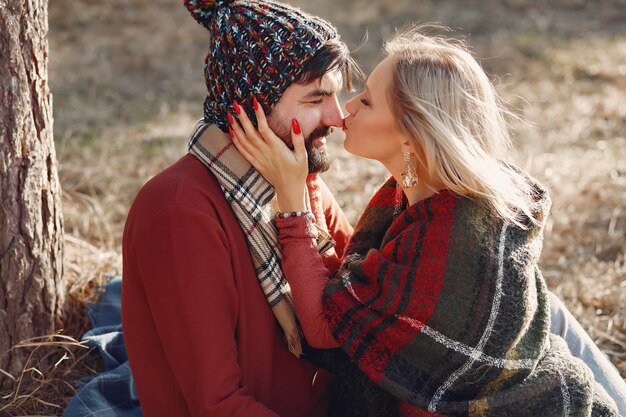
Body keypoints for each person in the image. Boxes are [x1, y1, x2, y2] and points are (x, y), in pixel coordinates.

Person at [228, 26, 620, 416]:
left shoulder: (457, 236)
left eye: (366, 102)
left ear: (410, 136)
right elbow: (357, 294)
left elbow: (324, 325)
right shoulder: (410, 195)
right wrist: (308, 172)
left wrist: (292, 202)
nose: (346, 108)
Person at [121, 0, 361, 416]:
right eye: (315, 99)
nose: (338, 117)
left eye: (336, 96)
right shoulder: (178, 213)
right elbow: (217, 405)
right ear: (251, 106)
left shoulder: (299, 185)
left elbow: (362, 312)